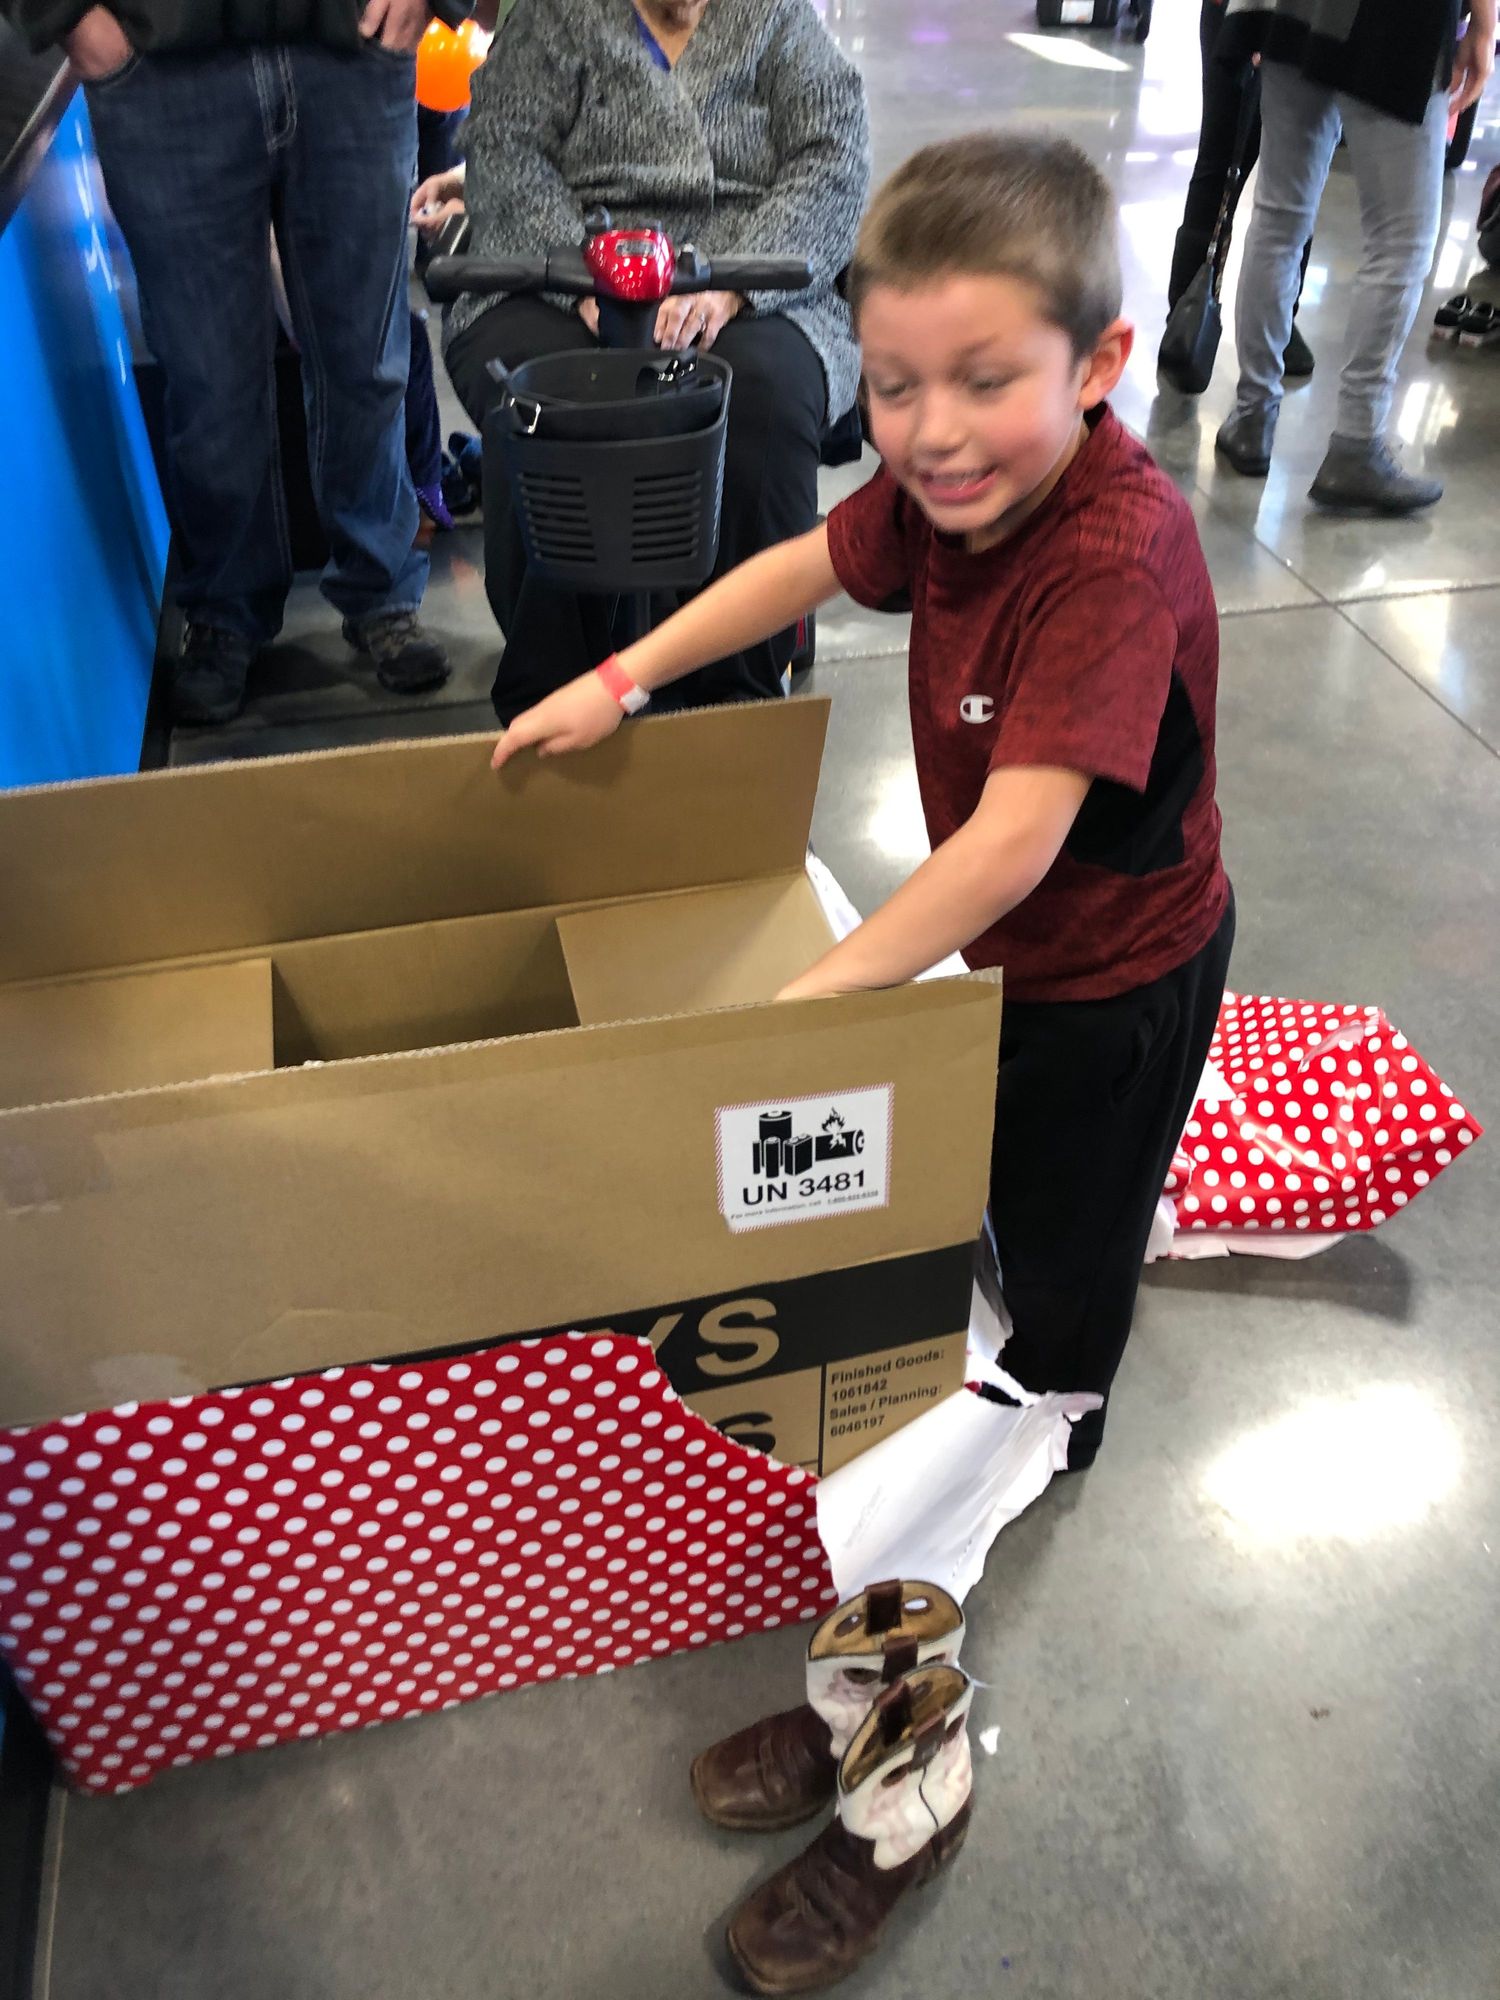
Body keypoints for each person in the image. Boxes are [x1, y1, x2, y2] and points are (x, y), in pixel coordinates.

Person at [486, 127, 1234, 1989]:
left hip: (1111, 994)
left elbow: (1011, 849)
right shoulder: (947, 494)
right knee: (952, 1269)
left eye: (982, 381)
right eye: (893, 386)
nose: (930, 434)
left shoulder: (1110, 556)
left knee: (1023, 1355)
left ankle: (918, 1754)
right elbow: (801, 563)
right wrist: (619, 680)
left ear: (1102, 364)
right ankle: (972, 1475)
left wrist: (808, 1013)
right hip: (1005, 987)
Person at [3, 0, 453, 726]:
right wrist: (71, 17)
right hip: (163, 68)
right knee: (207, 379)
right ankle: (227, 611)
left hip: (351, 52)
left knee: (369, 362)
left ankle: (382, 590)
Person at [440, 0, 870, 724]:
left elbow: (833, 154)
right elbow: (505, 149)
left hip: (743, 268)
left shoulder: (778, 17)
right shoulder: (555, 16)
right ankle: (557, 688)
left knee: (760, 394)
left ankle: (738, 691)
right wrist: (586, 283)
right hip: (560, 270)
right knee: (550, 399)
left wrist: (732, 289)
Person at [1214, 0, 1495, 511]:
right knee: (1402, 239)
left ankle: (1252, 414)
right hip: (1390, 19)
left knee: (1279, 215)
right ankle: (1357, 442)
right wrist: (1485, 21)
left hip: (1293, 8)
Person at [1165, 0, 1315, 381]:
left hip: (1312, 21)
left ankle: (1280, 316)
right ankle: (1185, 309)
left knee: (1300, 179)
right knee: (1222, 159)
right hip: (1246, 13)